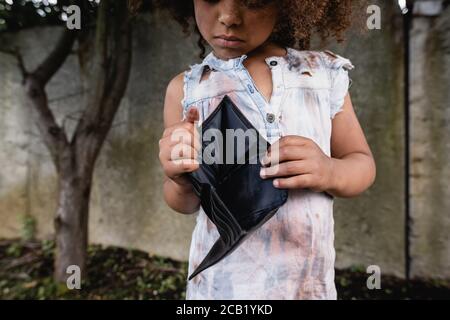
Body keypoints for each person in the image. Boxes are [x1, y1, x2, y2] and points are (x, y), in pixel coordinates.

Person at [158, 0, 376, 299]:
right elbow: (183, 203)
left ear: (289, 6)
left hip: (305, 287)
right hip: (220, 290)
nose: (229, 17)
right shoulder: (187, 90)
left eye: (255, 2)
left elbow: (362, 164)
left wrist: (329, 170)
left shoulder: (321, 75)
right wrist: (179, 179)